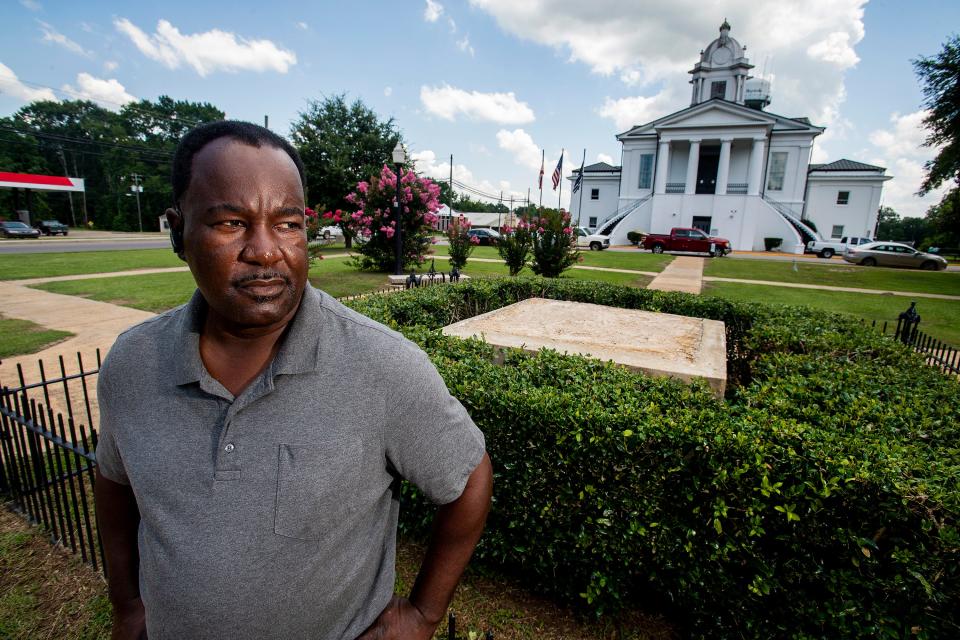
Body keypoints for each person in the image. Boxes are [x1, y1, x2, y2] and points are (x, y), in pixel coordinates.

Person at [94, 120, 493, 640]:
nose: (265, 251)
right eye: (231, 222)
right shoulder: (133, 363)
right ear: (177, 229)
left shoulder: (382, 366)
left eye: (288, 224)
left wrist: (423, 615)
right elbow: (114, 482)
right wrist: (128, 606)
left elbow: (469, 480)